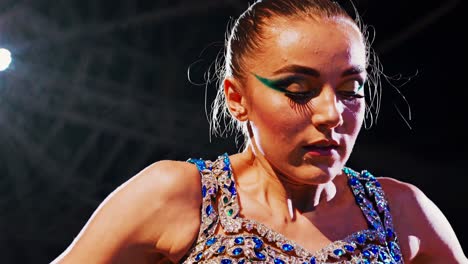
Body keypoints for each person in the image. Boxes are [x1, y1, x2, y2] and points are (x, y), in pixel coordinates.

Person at [51, 0, 467, 263]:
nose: (331, 112)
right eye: (298, 90)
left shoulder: (403, 212)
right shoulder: (177, 195)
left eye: (349, 90)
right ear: (236, 97)